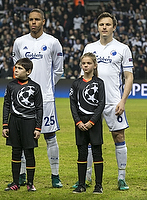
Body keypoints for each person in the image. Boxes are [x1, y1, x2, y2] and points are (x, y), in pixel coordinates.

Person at [12, 8, 64, 188]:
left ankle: (55, 175)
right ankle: (22, 175)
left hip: (46, 98)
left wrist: (46, 88)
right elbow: (17, 68)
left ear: (44, 21)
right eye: (31, 20)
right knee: (25, 138)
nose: (33, 22)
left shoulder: (53, 42)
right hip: (24, 99)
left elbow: (58, 70)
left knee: (50, 136)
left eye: (37, 20)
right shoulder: (19, 42)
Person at [82, 12, 133, 190]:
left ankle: (121, 178)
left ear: (114, 27)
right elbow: (84, 75)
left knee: (119, 136)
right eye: (101, 24)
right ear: (98, 27)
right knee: (88, 140)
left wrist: (123, 101)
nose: (104, 27)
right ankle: (87, 178)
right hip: (92, 102)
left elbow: (128, 76)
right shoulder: (90, 47)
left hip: (113, 101)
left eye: (108, 24)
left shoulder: (122, 48)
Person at [2, 58, 42, 192]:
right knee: (15, 152)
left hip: (29, 122)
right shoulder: (11, 85)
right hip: (14, 122)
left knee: (29, 153)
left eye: (20, 68)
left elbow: (39, 108)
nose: (16, 70)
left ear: (28, 71)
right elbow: (6, 105)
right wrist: (5, 124)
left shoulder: (35, 87)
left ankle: (30, 183)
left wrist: (38, 127)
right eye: (16, 67)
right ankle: (15, 182)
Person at [69, 52, 105, 194]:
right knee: (82, 153)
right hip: (80, 123)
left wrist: (91, 122)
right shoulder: (76, 83)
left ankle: (98, 185)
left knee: (97, 153)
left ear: (94, 65)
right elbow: (72, 105)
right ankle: (81, 184)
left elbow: (101, 104)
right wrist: (78, 122)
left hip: (94, 123)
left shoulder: (99, 83)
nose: (86, 65)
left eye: (89, 63)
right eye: (84, 63)